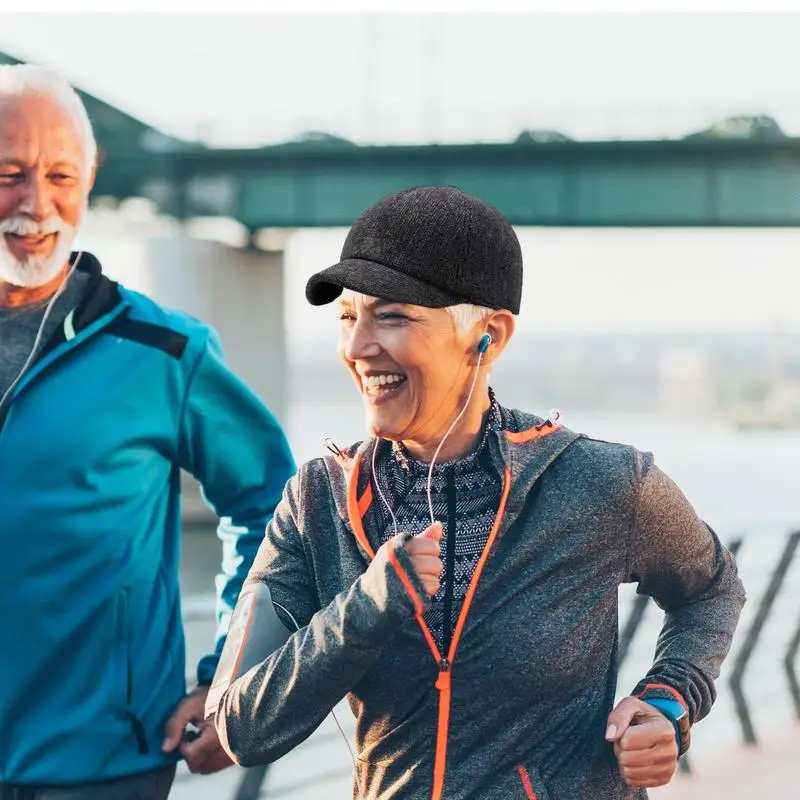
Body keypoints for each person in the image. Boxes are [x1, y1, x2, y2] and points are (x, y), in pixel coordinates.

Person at [211, 185, 746, 799]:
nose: (357, 347)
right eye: (347, 316)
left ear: (487, 334)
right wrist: (363, 609)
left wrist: (669, 699)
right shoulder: (318, 500)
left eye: (392, 315)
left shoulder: (601, 482)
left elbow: (712, 589)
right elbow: (237, 727)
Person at [0, 65, 295, 798]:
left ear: (91, 180)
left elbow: (278, 512)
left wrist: (229, 680)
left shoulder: (164, 352)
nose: (37, 205)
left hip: (104, 763)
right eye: (9, 174)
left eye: (61, 176)